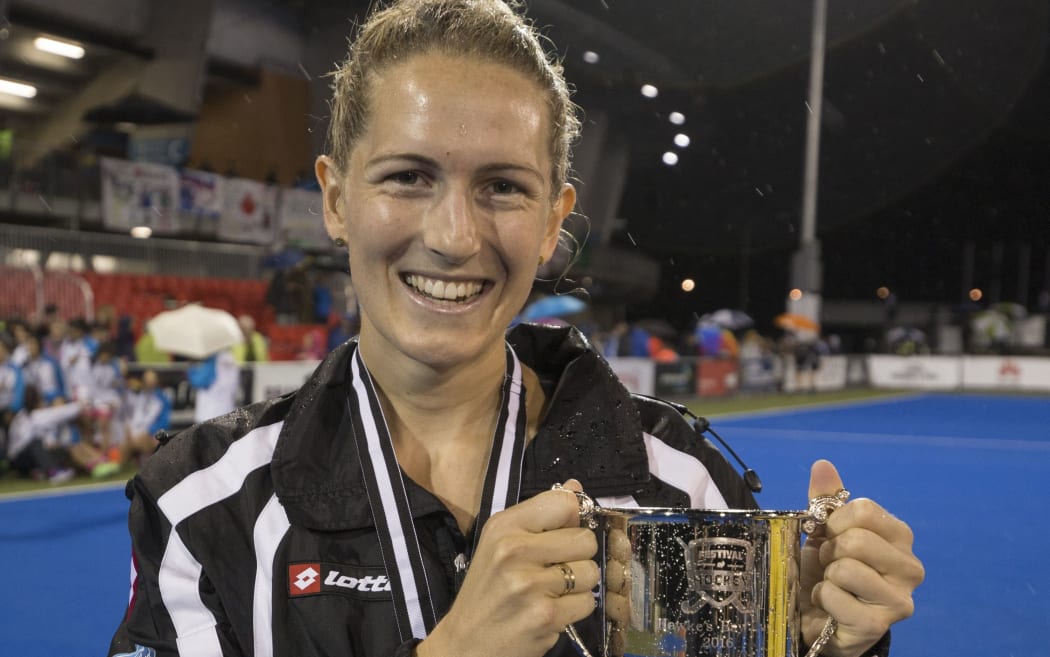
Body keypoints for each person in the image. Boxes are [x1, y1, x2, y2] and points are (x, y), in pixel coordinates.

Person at [109, 3, 923, 657]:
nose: (455, 235)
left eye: (502, 186)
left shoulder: (679, 479)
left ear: (551, 224)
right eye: (407, 176)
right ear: (335, 197)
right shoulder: (203, 504)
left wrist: (826, 643)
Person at [186, 347, 241, 424]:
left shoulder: (213, 360)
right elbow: (236, 385)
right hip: (228, 412)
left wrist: (191, 367)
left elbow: (198, 381)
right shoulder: (232, 359)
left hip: (209, 414)